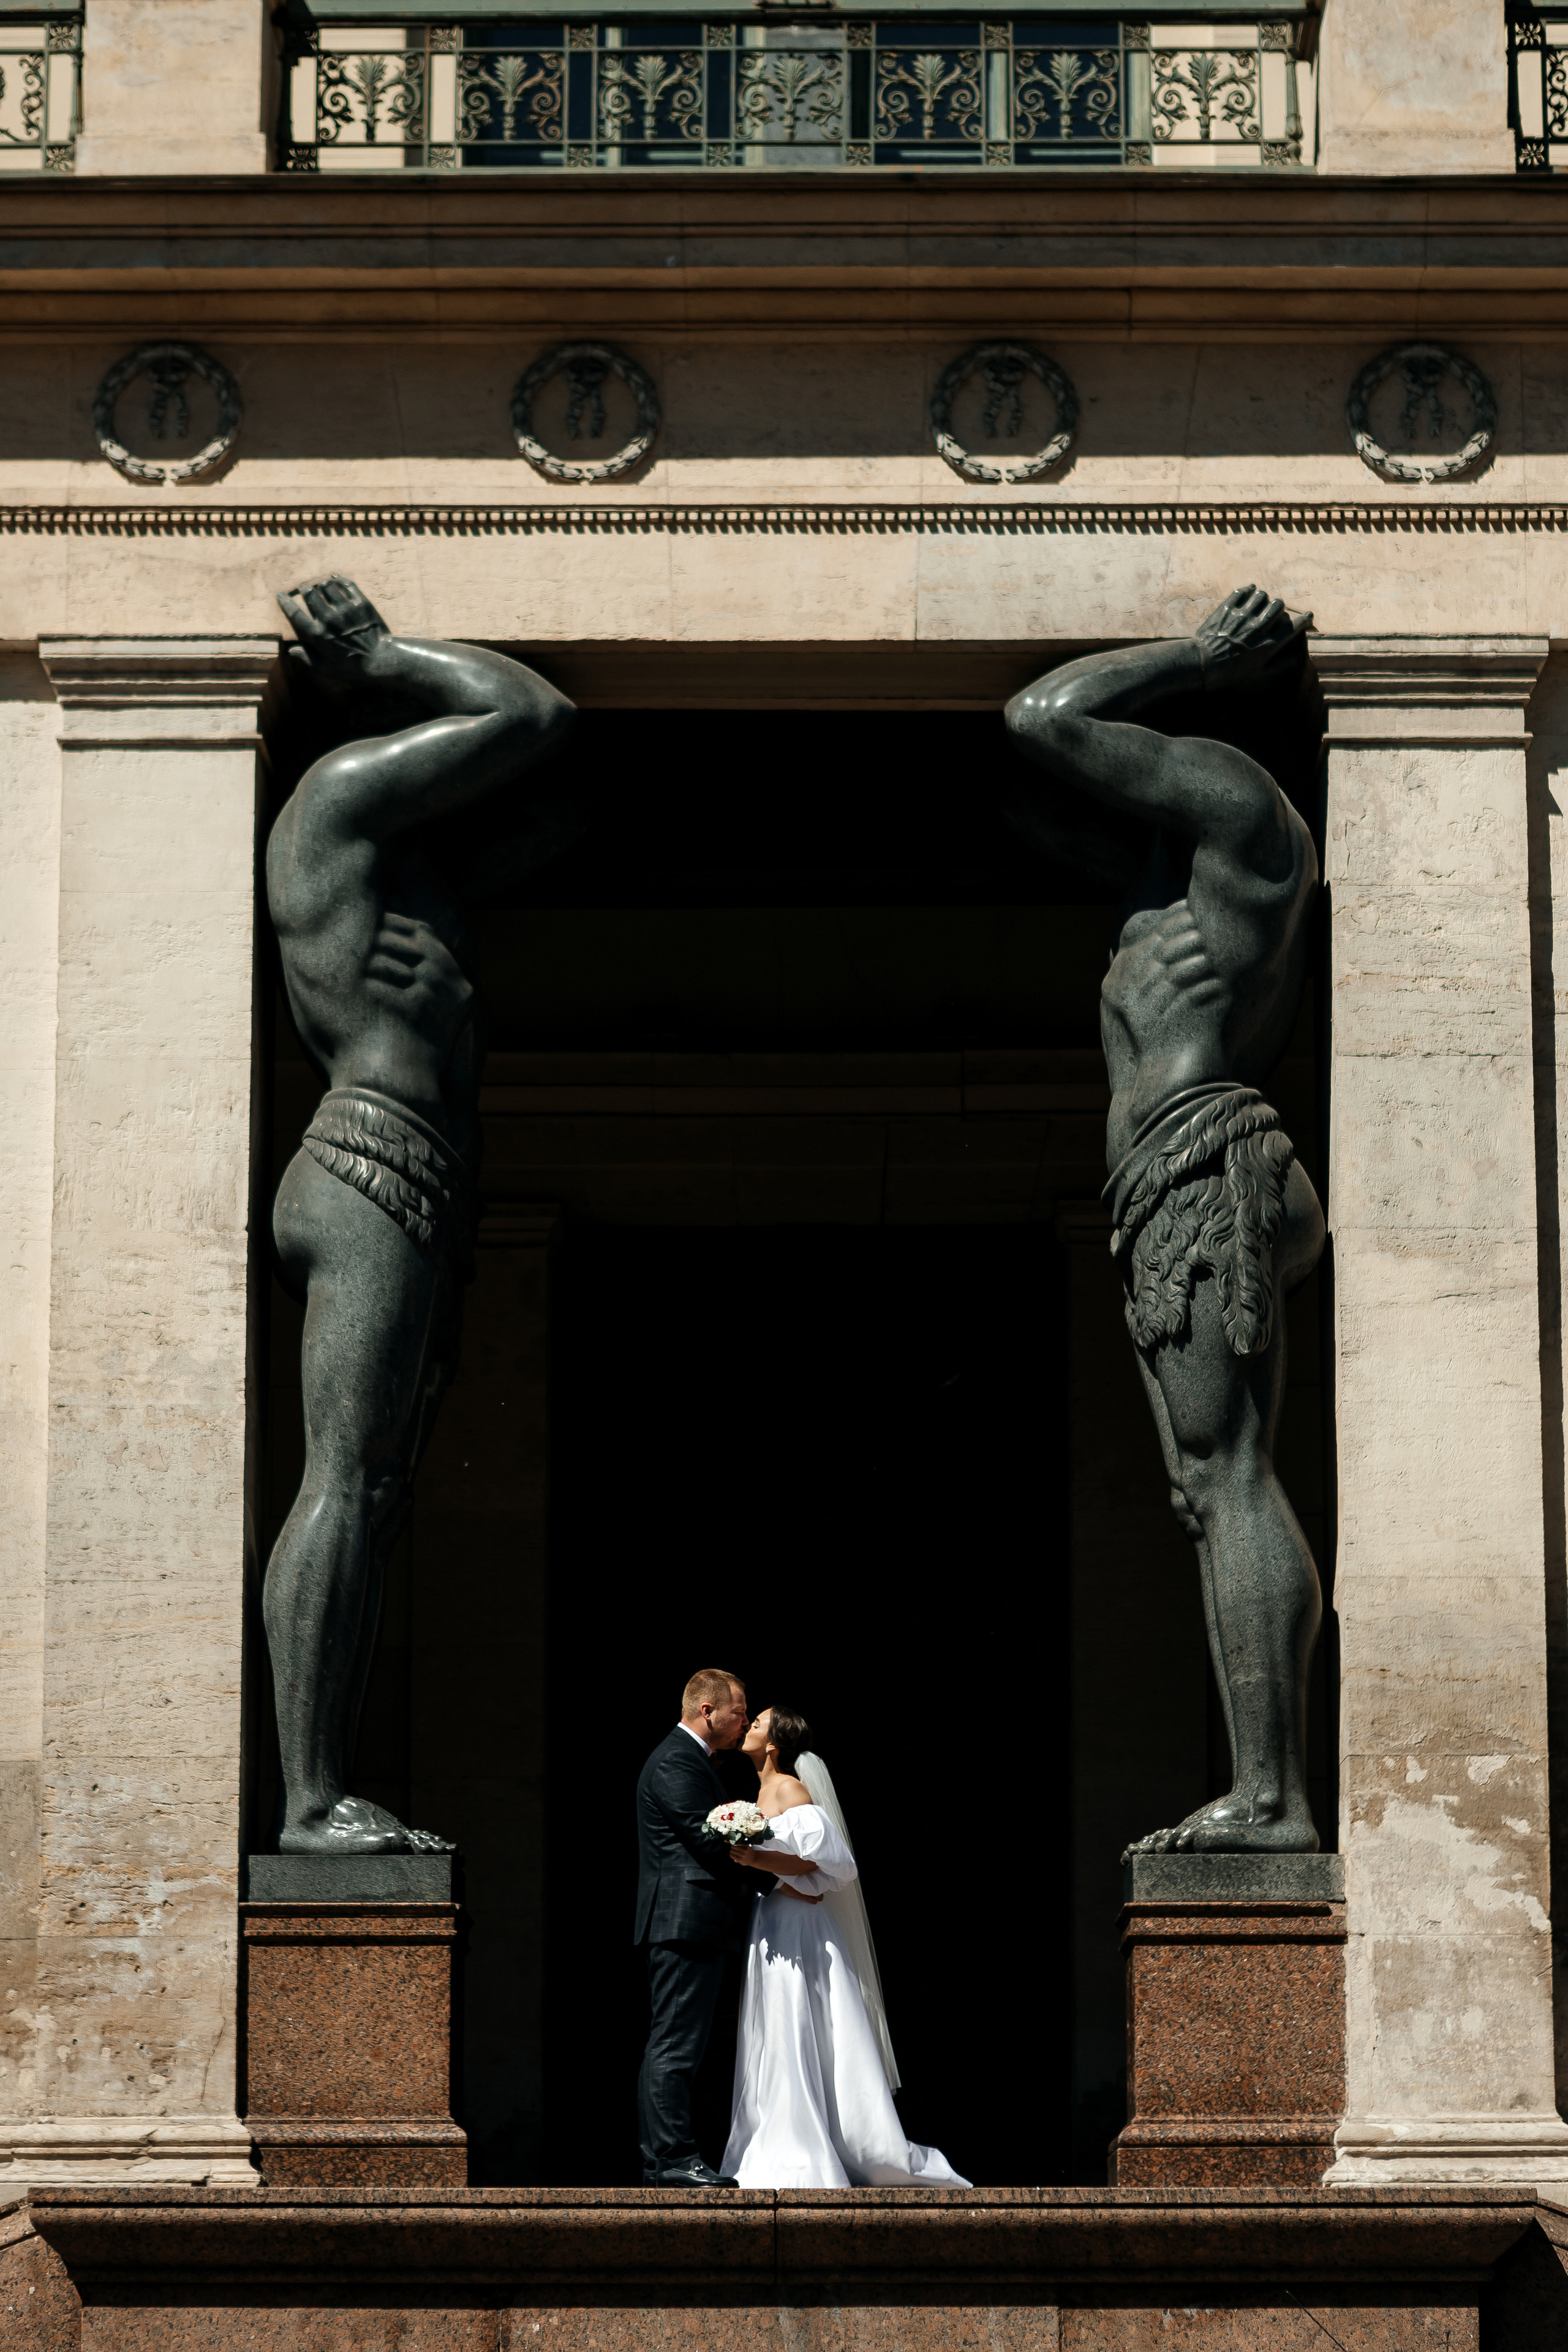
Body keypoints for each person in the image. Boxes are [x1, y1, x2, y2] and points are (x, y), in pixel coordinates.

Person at [1004, 584, 1325, 1856]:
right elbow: (1029, 798)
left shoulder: (1246, 821)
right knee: (1207, 1488)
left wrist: (1187, 657)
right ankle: (1261, 1786)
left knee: (1228, 1476)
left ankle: (1273, 1798)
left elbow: (1043, 717)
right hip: (1166, 1180)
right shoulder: (1164, 888)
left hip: (1203, 1165)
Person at [264, 573, 576, 1855]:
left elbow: (556, 803)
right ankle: (309, 1797)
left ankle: (326, 1784)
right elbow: (530, 710)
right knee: (343, 1477)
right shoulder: (330, 812)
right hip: (368, 1161)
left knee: (375, 1489)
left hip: (420, 1180)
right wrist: (389, 657)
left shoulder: (419, 889)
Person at [721, 1705, 970, 2189]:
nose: (748, 1726)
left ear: (773, 1744)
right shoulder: (759, 1793)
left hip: (796, 1925)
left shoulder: (790, 1789)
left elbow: (828, 1869)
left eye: (757, 1724)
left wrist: (757, 1861)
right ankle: (774, 2137)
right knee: (774, 2028)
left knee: (796, 2025)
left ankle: (801, 2152)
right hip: (770, 1923)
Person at [635, 1668, 758, 2186]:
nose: (745, 1721)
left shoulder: (692, 1760)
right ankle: (669, 2161)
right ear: (707, 1710)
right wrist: (781, 1872)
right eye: (740, 1712)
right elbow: (709, 1839)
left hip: (699, 1923)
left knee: (684, 2044)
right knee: (675, 2045)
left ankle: (673, 2157)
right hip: (684, 1922)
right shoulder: (674, 1761)